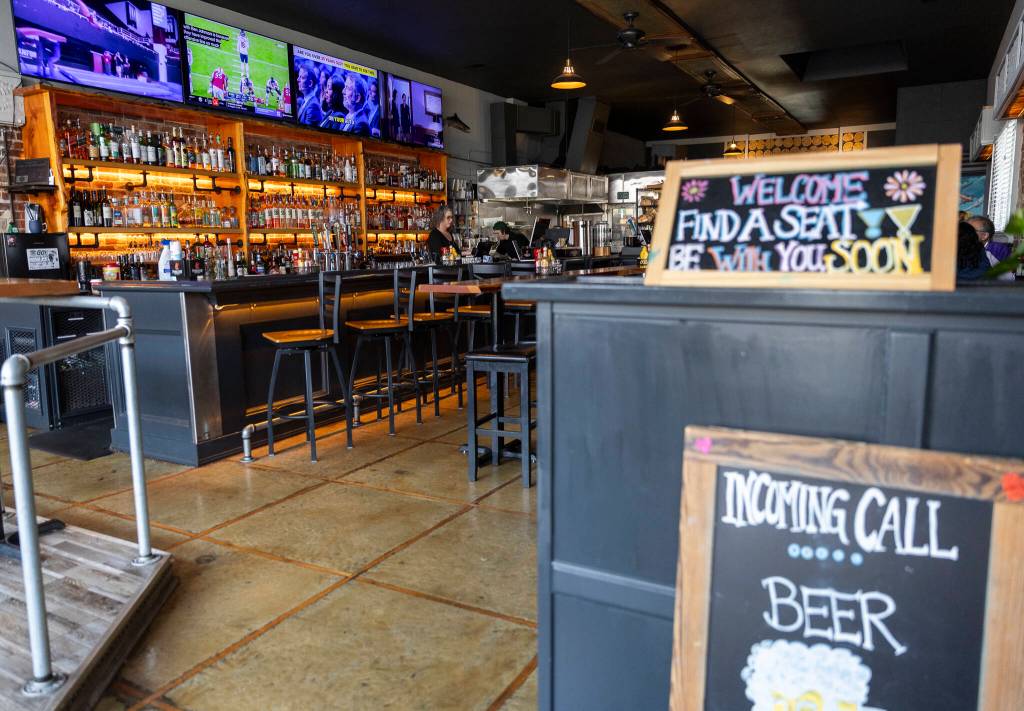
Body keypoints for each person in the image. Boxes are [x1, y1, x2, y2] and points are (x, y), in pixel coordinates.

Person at [295, 61, 323, 126]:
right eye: (299, 76)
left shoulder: (313, 106)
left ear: (310, 83)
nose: (297, 80)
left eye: (302, 78)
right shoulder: (305, 101)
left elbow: (308, 132)